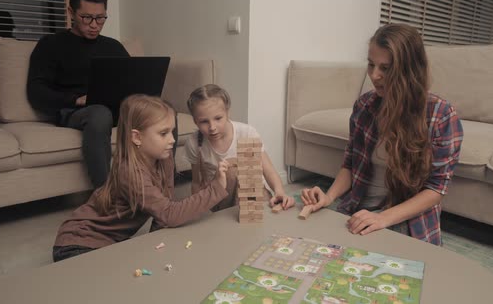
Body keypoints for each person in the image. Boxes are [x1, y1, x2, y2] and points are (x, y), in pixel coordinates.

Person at [301, 24, 463, 246]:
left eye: (385, 68)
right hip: (358, 210)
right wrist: (328, 197)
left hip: (404, 220)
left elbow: (436, 190)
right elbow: (350, 164)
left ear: (409, 70)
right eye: (370, 65)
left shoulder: (440, 115)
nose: (374, 76)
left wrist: (381, 218)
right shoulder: (364, 105)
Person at [53, 95, 230, 262]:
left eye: (172, 132)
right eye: (163, 133)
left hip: (111, 242)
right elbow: (169, 213)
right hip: (77, 243)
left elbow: (162, 215)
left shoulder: (164, 157)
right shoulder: (130, 172)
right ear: (137, 137)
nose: (172, 140)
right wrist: (215, 188)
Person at [27, 0, 129, 188]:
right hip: (76, 111)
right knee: (99, 113)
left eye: (100, 18)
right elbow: (36, 91)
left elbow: (130, 77)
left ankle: (163, 188)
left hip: (115, 107)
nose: (94, 25)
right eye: (87, 18)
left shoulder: (113, 46)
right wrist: (76, 99)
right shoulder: (51, 44)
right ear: (71, 12)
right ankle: (105, 196)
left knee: (163, 109)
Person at [185, 84, 295, 211]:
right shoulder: (194, 143)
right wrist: (197, 210)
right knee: (229, 173)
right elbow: (196, 182)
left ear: (227, 113)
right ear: (195, 121)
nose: (212, 127)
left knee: (237, 172)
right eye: (204, 121)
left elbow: (268, 169)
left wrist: (279, 191)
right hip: (220, 197)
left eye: (218, 118)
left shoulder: (247, 133)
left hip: (252, 193)